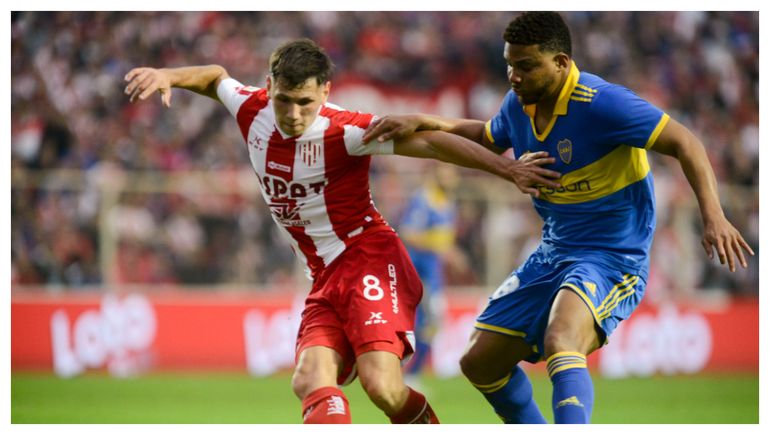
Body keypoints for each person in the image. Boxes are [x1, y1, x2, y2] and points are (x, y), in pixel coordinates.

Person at [124, 38, 561, 424]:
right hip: (324, 275)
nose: (293, 114)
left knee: (382, 386)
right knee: (309, 379)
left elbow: (431, 143)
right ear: (269, 86)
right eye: (284, 100)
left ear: (325, 92)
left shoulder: (346, 130)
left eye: (305, 102)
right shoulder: (251, 108)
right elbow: (215, 78)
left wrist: (507, 169)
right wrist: (168, 76)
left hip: (368, 257)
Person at [363, 12, 754, 424]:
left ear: (561, 63)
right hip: (553, 253)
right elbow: (487, 137)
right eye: (509, 64)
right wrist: (424, 120)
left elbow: (685, 142)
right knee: (479, 362)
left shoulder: (602, 103)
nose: (514, 76)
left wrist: (714, 216)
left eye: (526, 66)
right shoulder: (519, 104)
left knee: (562, 338)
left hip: (612, 256)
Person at [398, 163, 458, 384]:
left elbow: (444, 238)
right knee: (425, 320)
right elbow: (408, 232)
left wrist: (450, 251)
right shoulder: (424, 201)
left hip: (434, 269)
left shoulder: (447, 202)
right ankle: (408, 373)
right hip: (420, 269)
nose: (451, 179)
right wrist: (435, 243)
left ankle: (412, 372)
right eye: (447, 174)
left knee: (431, 321)